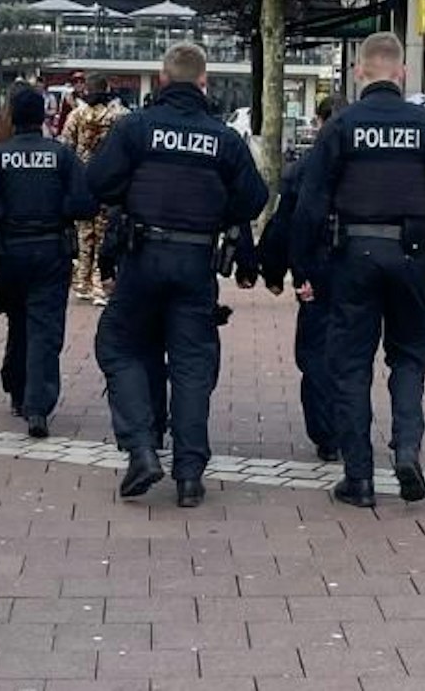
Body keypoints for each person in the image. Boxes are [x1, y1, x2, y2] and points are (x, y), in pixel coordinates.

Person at [293, 32, 425, 508]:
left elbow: (310, 203)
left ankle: (359, 478)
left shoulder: (342, 125)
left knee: (350, 365)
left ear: (359, 73)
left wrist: (302, 265)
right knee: (409, 354)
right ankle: (407, 447)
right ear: (402, 74)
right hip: (411, 257)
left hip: (351, 258)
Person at [89, 43, 268, 507]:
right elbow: (253, 198)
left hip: (142, 257)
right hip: (195, 263)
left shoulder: (136, 128)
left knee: (119, 344)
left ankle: (142, 448)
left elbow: (98, 184)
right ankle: (189, 475)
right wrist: (211, 212)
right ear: (204, 83)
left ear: (162, 79)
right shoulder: (223, 138)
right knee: (191, 365)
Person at [0, 85, 97, 439]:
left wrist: (6, 215)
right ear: (43, 117)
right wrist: (59, 212)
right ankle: (37, 407)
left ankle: (16, 388)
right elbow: (86, 203)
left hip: (10, 251)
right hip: (51, 249)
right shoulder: (61, 155)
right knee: (44, 327)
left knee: (18, 319)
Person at [259, 95, 341, 462]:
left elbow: (283, 224)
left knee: (315, 353)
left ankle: (326, 434)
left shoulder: (304, 168)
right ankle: (348, 426)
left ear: (321, 122)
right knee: (352, 353)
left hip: (317, 272)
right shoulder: (362, 166)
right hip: (359, 272)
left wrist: (274, 272)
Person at [61, 72, 128, 305]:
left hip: (80, 180)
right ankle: (100, 285)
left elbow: (65, 147)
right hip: (107, 180)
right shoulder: (118, 116)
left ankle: (83, 282)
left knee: (84, 233)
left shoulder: (75, 115)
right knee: (103, 234)